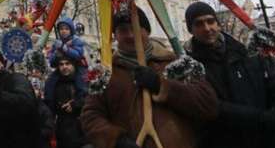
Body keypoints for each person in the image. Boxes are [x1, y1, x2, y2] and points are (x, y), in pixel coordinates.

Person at [80, 8, 218, 148]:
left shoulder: (176, 62)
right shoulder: (105, 73)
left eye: (135, 28)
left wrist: (161, 86)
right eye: (123, 30)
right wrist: (115, 140)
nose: (130, 35)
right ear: (115, 35)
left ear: (147, 31)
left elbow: (208, 105)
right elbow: (90, 116)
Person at [184, 1, 275, 148]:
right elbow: (214, 107)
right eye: (199, 24)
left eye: (210, 21)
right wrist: (260, 117)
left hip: (264, 138)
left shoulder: (245, 53)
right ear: (190, 30)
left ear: (218, 24)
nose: (207, 28)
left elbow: (272, 86)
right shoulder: (190, 67)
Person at [44, 51, 87, 148]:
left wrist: (76, 104)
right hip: (63, 128)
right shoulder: (54, 83)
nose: (64, 67)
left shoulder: (83, 81)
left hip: (82, 127)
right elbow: (50, 104)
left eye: (67, 63)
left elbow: (90, 98)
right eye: (61, 64)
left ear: (73, 65)